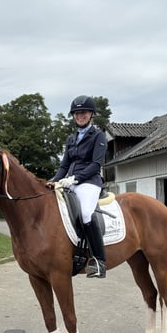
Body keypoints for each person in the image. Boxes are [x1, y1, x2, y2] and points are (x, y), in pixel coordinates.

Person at [48, 95, 108, 278]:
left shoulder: (98, 136)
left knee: (86, 214)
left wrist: (75, 179)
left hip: (89, 182)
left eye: (83, 112)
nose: (80, 116)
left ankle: (99, 261)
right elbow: (64, 165)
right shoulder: (71, 139)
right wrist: (54, 180)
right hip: (70, 182)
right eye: (76, 113)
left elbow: (96, 165)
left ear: (91, 114)